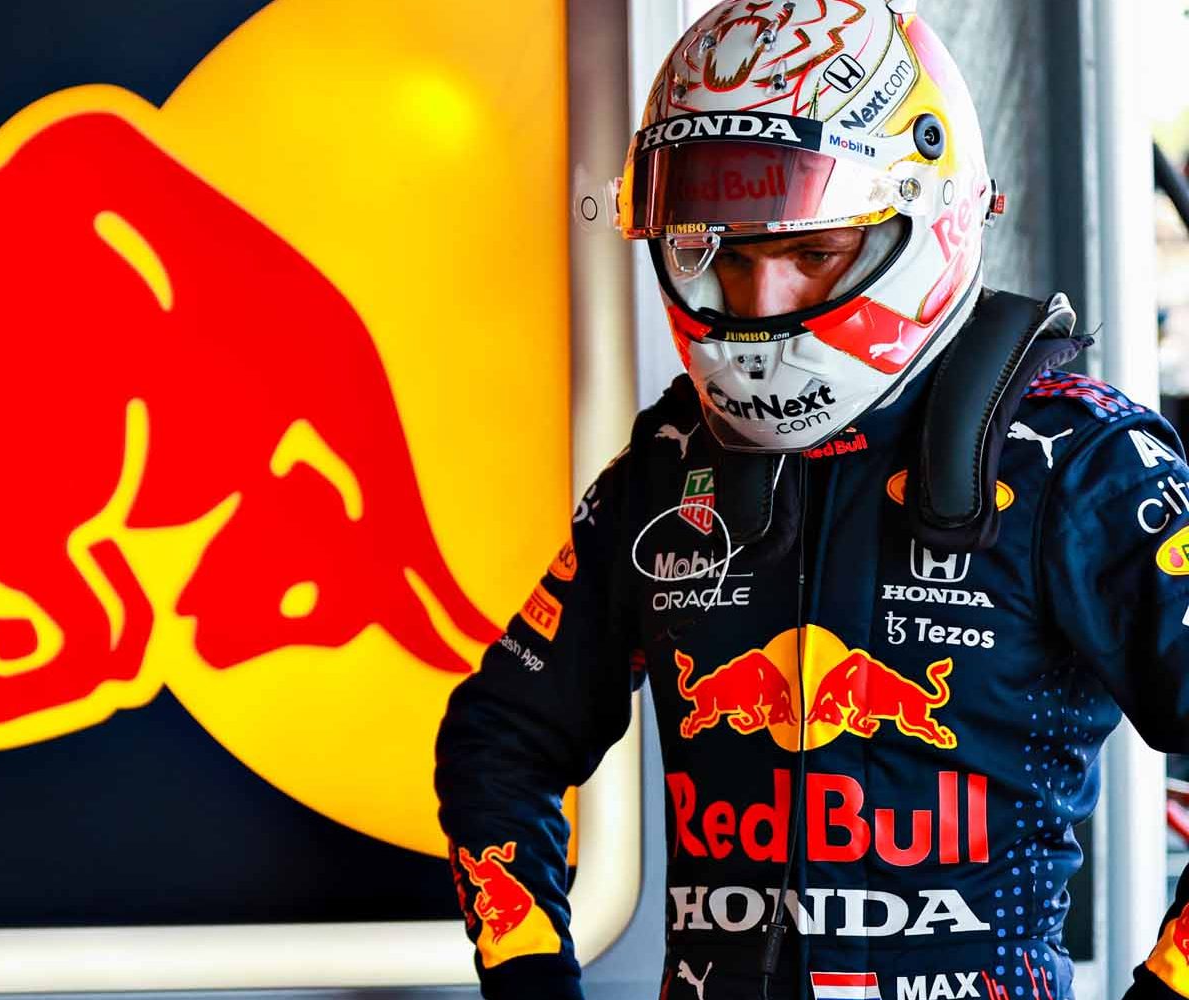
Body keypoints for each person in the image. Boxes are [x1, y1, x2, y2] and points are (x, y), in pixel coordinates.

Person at [434, 3, 1189, 1000]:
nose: (761, 303)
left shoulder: (1080, 461)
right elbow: (499, 740)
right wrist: (528, 976)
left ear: (924, 219)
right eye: (730, 258)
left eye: (812, 253)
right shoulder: (670, 463)